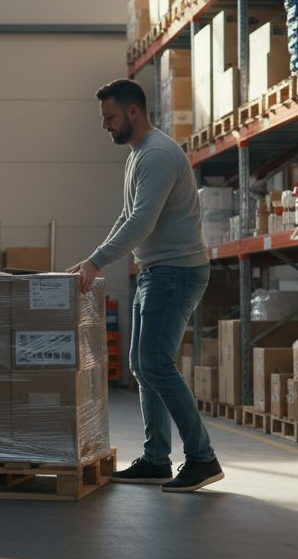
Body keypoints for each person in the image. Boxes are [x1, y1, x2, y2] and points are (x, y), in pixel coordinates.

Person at [68, 79, 224, 493]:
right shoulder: (138, 154)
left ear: (133, 112)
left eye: (109, 117)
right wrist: (92, 259)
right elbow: (127, 215)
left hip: (175, 272)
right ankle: (156, 459)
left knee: (155, 364)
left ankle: (202, 458)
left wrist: (97, 262)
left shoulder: (156, 155)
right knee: (142, 365)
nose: (105, 125)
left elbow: (143, 222)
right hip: (157, 271)